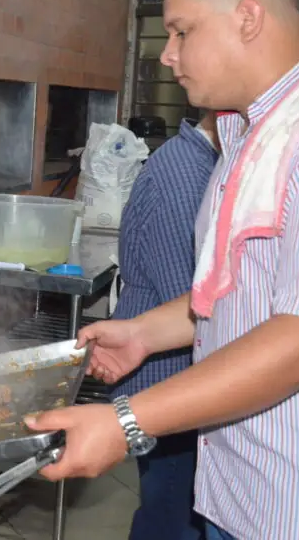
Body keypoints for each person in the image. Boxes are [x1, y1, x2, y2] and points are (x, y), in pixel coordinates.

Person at [27, 0, 299, 540]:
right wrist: (146, 331)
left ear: (247, 17)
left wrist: (125, 420)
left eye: (182, 31)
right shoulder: (249, 131)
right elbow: (242, 293)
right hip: (236, 490)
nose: (167, 55)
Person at [111, 110, 218, 540]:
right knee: (172, 517)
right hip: (168, 375)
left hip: (176, 372)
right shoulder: (182, 176)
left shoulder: (206, 166)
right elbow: (192, 300)